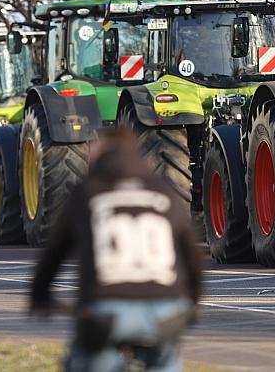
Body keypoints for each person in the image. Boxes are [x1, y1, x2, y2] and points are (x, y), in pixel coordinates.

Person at [30, 128, 202, 371]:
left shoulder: (87, 193)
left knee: (85, 360)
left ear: (100, 153)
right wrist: (193, 301)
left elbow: (53, 254)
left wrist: (39, 296)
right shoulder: (164, 193)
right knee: (165, 359)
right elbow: (192, 258)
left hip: (105, 313)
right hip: (166, 312)